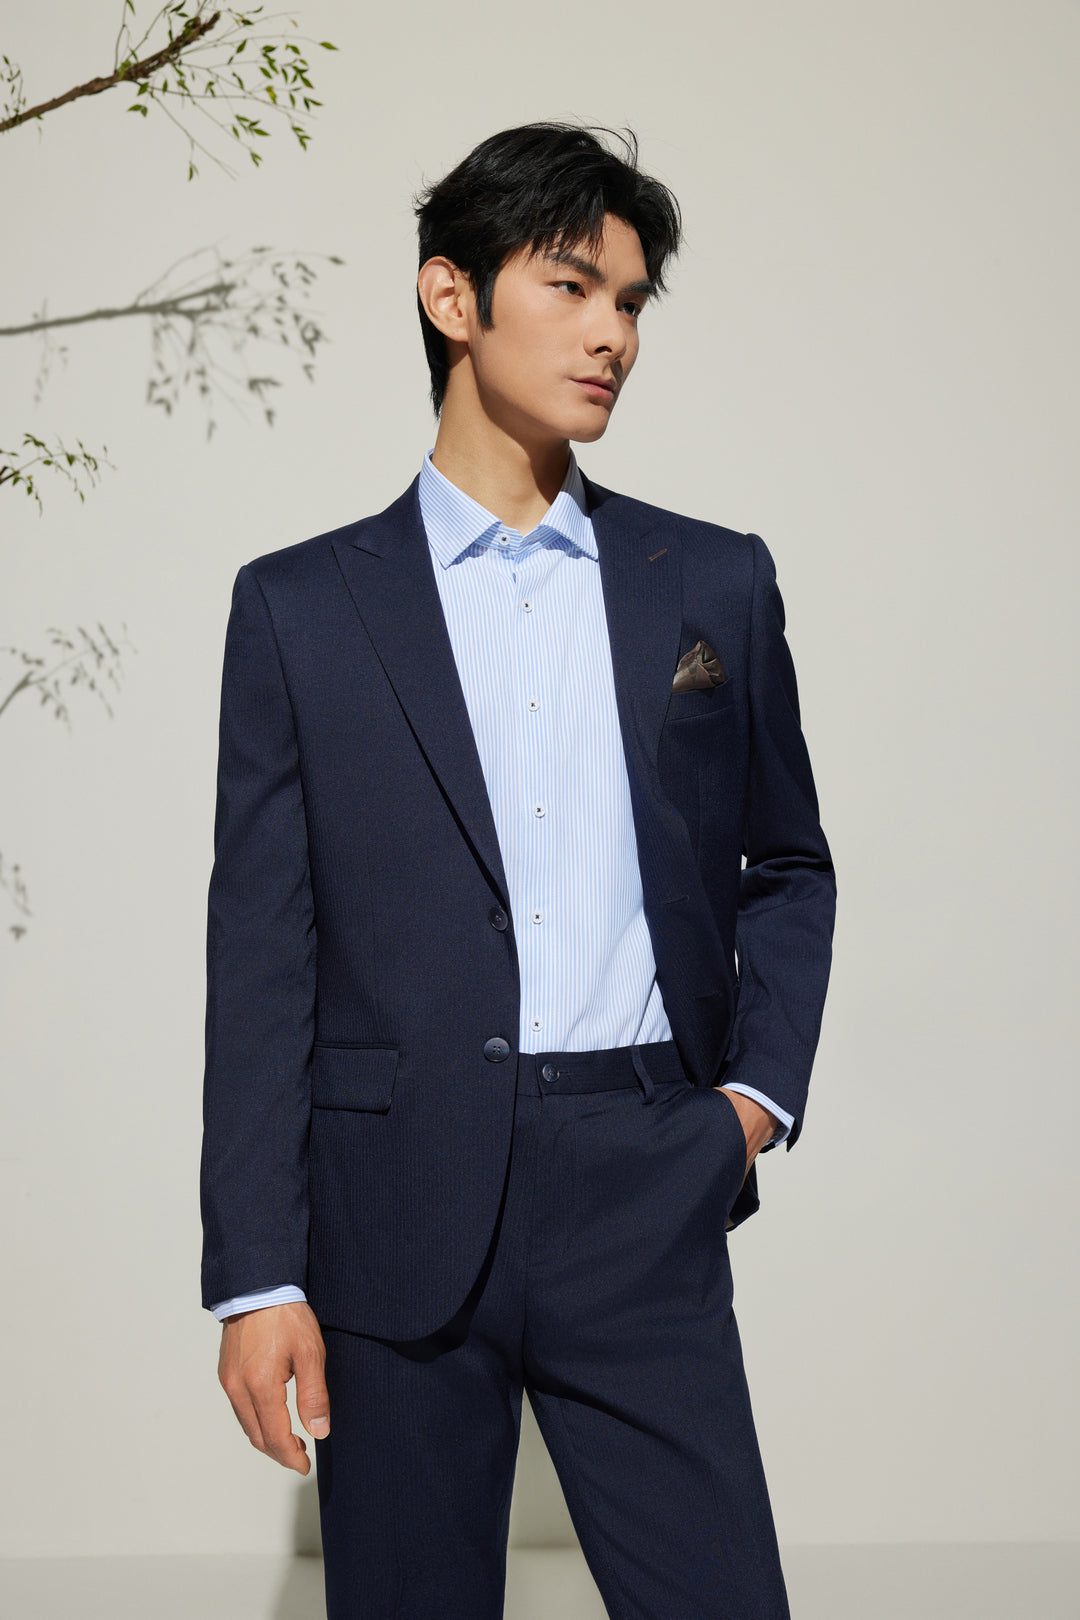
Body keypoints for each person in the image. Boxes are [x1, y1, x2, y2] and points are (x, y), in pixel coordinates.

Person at [201, 122, 836, 1619]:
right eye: (571, 286)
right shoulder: (300, 608)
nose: (614, 334)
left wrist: (747, 1107)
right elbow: (263, 954)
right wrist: (256, 1274)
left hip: (644, 1170)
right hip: (394, 1203)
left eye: (631, 301)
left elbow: (790, 863)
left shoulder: (713, 579)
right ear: (452, 297)